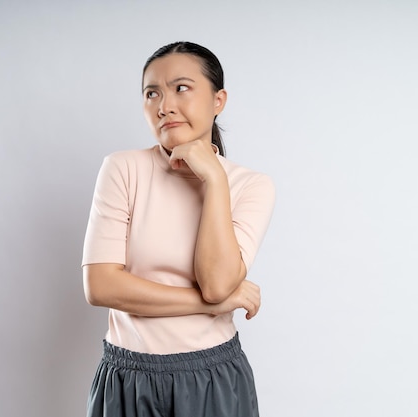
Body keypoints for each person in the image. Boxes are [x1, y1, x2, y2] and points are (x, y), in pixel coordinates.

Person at [81, 41, 276, 417]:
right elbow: (101, 286)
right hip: (128, 378)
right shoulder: (123, 169)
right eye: (152, 93)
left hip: (211, 378)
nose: (164, 105)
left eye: (181, 88)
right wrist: (213, 304)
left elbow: (218, 282)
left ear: (218, 101)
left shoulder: (251, 186)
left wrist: (215, 181)